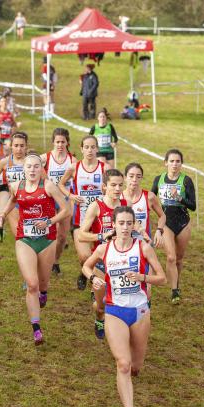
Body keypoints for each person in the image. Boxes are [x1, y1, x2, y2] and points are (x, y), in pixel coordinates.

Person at [82, 206, 167, 407]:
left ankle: (131, 383)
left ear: (133, 225)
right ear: (114, 225)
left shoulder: (143, 248)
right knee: (123, 364)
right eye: (121, 223)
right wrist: (93, 278)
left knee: (136, 366)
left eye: (130, 223)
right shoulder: (104, 249)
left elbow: (162, 278)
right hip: (114, 310)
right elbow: (86, 265)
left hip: (139, 311)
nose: (126, 228)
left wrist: (142, 277)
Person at [0, 153, 70, 345]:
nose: (33, 170)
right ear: (23, 169)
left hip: (47, 240)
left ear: (41, 168)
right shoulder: (17, 186)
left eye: (36, 166)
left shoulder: (49, 186)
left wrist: (49, 222)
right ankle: (36, 328)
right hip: (25, 239)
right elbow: (12, 200)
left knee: (42, 285)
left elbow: (66, 209)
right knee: (32, 284)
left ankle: (43, 294)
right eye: (29, 167)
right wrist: (2, 216)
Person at [78, 169, 127, 340]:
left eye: (120, 185)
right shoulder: (96, 207)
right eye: (113, 185)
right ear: (105, 187)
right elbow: (81, 235)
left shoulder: (126, 206)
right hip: (100, 263)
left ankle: (120, 332)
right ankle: (99, 318)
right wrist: (101, 236)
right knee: (101, 305)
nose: (117, 189)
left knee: (121, 301)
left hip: (122, 262)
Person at [58, 135, 105, 291]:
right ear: (81, 149)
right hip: (80, 219)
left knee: (100, 256)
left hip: (100, 219)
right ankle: (84, 271)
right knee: (84, 256)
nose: (90, 150)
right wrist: (71, 196)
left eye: (93, 147)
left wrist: (107, 191)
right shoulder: (74, 168)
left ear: (97, 149)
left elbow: (114, 187)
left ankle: (94, 288)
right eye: (87, 147)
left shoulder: (105, 168)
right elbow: (61, 184)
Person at [151, 149, 196, 304]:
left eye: (178, 161)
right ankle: (174, 290)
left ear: (181, 164)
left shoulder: (186, 181)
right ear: (166, 163)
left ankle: (176, 282)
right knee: (171, 257)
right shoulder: (159, 179)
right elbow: (150, 198)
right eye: (172, 161)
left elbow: (193, 205)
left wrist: (180, 198)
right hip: (166, 222)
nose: (175, 164)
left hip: (183, 222)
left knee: (179, 259)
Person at [44, 128, 74, 275]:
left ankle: (55, 260)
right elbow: (29, 164)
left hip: (65, 199)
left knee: (62, 237)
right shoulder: (46, 158)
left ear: (67, 142)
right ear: (53, 142)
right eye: (57, 142)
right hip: (49, 199)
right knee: (51, 234)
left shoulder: (72, 160)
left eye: (63, 141)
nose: (60, 144)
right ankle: (46, 263)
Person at [0, 131, 28, 240]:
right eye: (16, 146)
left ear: (26, 147)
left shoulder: (31, 162)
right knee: (20, 237)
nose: (19, 149)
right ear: (11, 146)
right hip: (14, 202)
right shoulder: (4, 162)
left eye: (22, 146)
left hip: (31, 203)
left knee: (32, 237)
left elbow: (45, 181)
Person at [123, 162, 165, 244]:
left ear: (141, 178)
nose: (134, 180)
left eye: (138, 176)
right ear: (125, 177)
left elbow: (162, 216)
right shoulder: (118, 197)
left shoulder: (149, 197)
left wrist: (159, 230)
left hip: (144, 243)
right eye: (131, 176)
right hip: (123, 245)